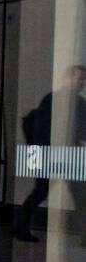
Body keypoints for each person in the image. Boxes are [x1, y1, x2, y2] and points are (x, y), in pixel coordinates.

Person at [15, 64, 86, 242]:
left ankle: (19, 227)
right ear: (67, 79)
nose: (82, 83)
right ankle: (19, 227)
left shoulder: (52, 99)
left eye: (83, 79)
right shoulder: (72, 103)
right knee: (77, 193)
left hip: (51, 156)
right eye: (79, 78)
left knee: (42, 191)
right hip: (61, 156)